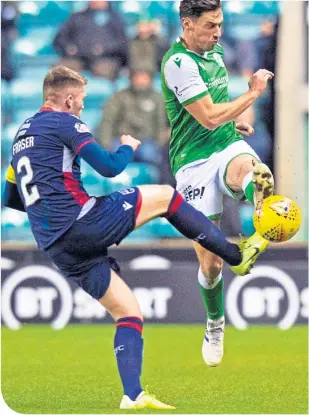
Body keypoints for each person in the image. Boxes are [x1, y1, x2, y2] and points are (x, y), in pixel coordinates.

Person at [4, 66, 268, 409]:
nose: (83, 107)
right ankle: (236, 255)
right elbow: (111, 168)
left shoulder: (20, 136)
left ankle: (133, 395)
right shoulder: (65, 123)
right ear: (68, 99)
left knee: (128, 312)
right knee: (167, 197)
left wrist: (51, 216)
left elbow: (10, 199)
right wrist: (127, 146)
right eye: (81, 101)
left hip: (55, 243)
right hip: (81, 222)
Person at [161, 0, 275, 368]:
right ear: (187, 24)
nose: (218, 32)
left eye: (221, 24)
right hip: (191, 164)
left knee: (255, 174)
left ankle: (255, 240)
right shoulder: (178, 64)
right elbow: (208, 116)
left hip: (225, 147)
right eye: (210, 25)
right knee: (210, 266)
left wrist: (232, 125)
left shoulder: (215, 51)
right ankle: (215, 323)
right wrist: (253, 93)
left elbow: (216, 115)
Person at [98, 69, 168, 166]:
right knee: (116, 155)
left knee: (150, 155)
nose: (141, 80)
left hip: (148, 141)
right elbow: (107, 122)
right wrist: (106, 145)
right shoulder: (119, 97)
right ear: (131, 78)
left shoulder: (158, 98)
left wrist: (160, 144)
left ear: (150, 79)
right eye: (137, 77)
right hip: (122, 139)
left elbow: (163, 123)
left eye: (144, 77)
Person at [53, 1, 127, 80]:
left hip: (105, 59)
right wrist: (68, 47)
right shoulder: (77, 17)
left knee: (102, 71)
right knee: (59, 71)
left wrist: (104, 49)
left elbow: (122, 43)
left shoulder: (115, 19)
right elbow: (59, 38)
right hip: (78, 58)